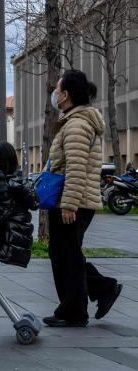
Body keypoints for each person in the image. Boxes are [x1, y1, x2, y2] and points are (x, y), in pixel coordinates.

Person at [43, 69, 122, 327]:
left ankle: (74, 312)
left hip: (73, 201)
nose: (54, 92)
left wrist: (68, 204)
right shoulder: (74, 120)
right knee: (65, 253)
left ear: (66, 95)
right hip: (72, 199)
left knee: (67, 255)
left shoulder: (77, 124)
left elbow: (76, 168)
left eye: (57, 89)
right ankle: (102, 289)